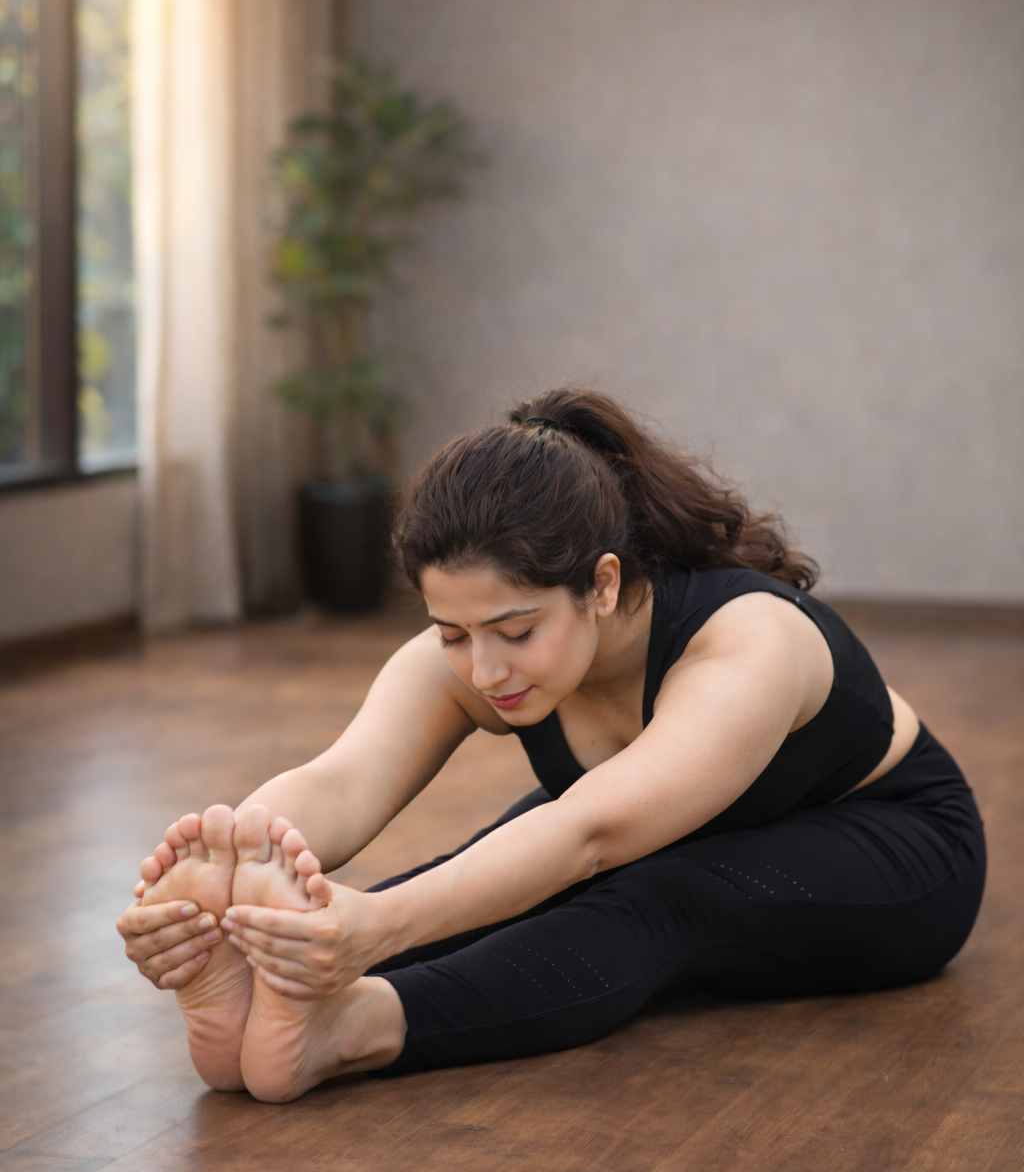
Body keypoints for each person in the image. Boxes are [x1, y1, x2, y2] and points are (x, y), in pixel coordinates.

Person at [116, 388, 986, 1102]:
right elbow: (344, 781)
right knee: (485, 869)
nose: (483, 667)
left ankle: (352, 1028)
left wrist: (373, 929)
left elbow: (589, 834)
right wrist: (233, 878)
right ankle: (278, 985)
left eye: (515, 631)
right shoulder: (477, 646)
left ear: (601, 585)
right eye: (451, 633)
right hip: (666, 831)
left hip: (895, 847)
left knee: (643, 892)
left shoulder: (749, 643)